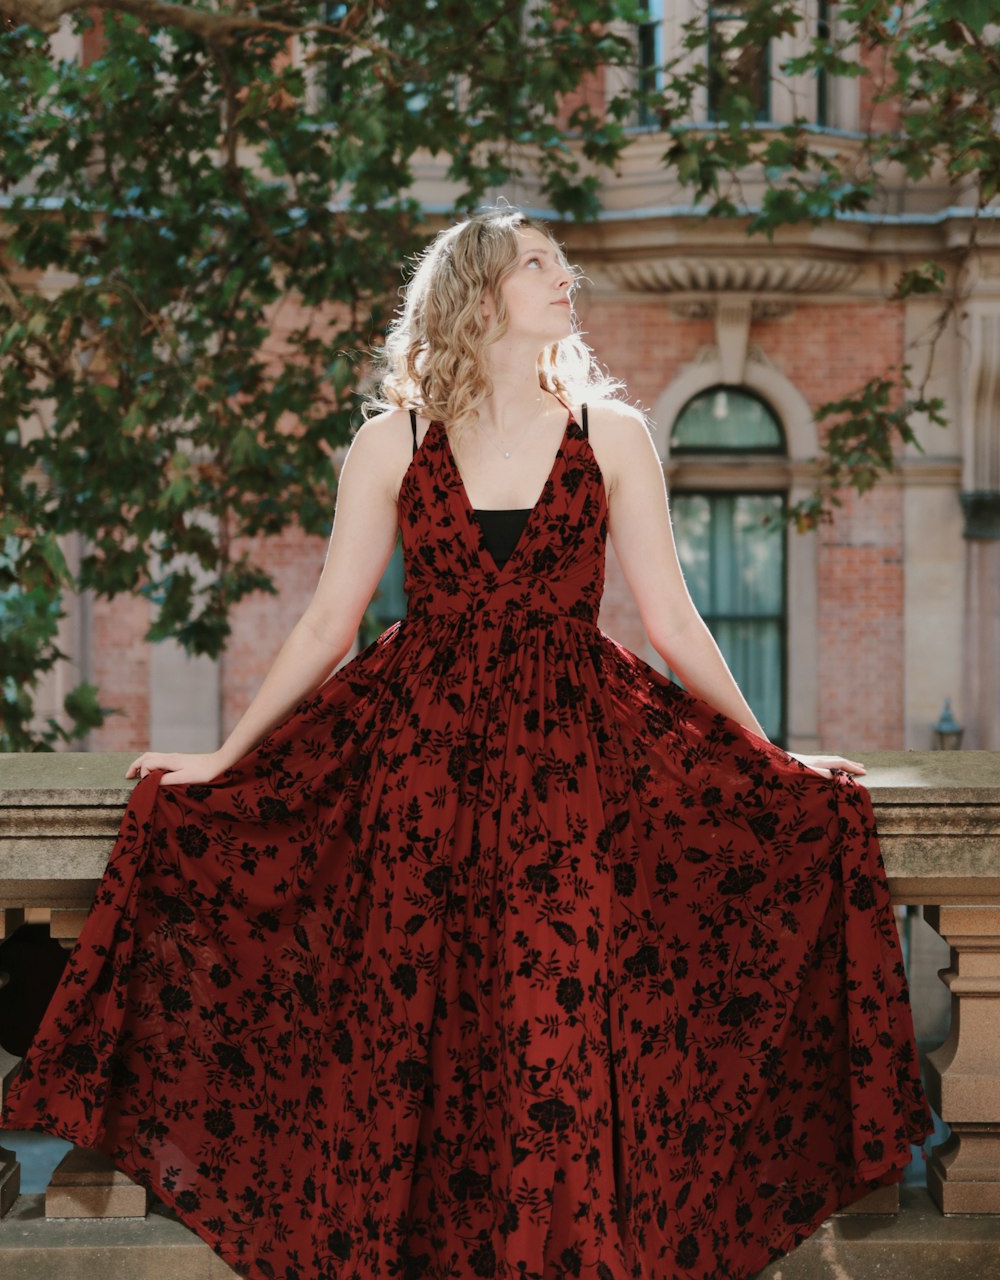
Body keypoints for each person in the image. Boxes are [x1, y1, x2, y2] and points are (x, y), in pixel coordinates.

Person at [1, 204, 934, 1280]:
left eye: (560, 261)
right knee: (419, 1035)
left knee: (555, 1029)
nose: (563, 275)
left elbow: (674, 623)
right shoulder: (390, 440)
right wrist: (224, 760)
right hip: (416, 771)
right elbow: (327, 621)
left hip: (572, 778)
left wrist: (770, 760)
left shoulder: (611, 433)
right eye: (538, 264)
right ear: (481, 292)